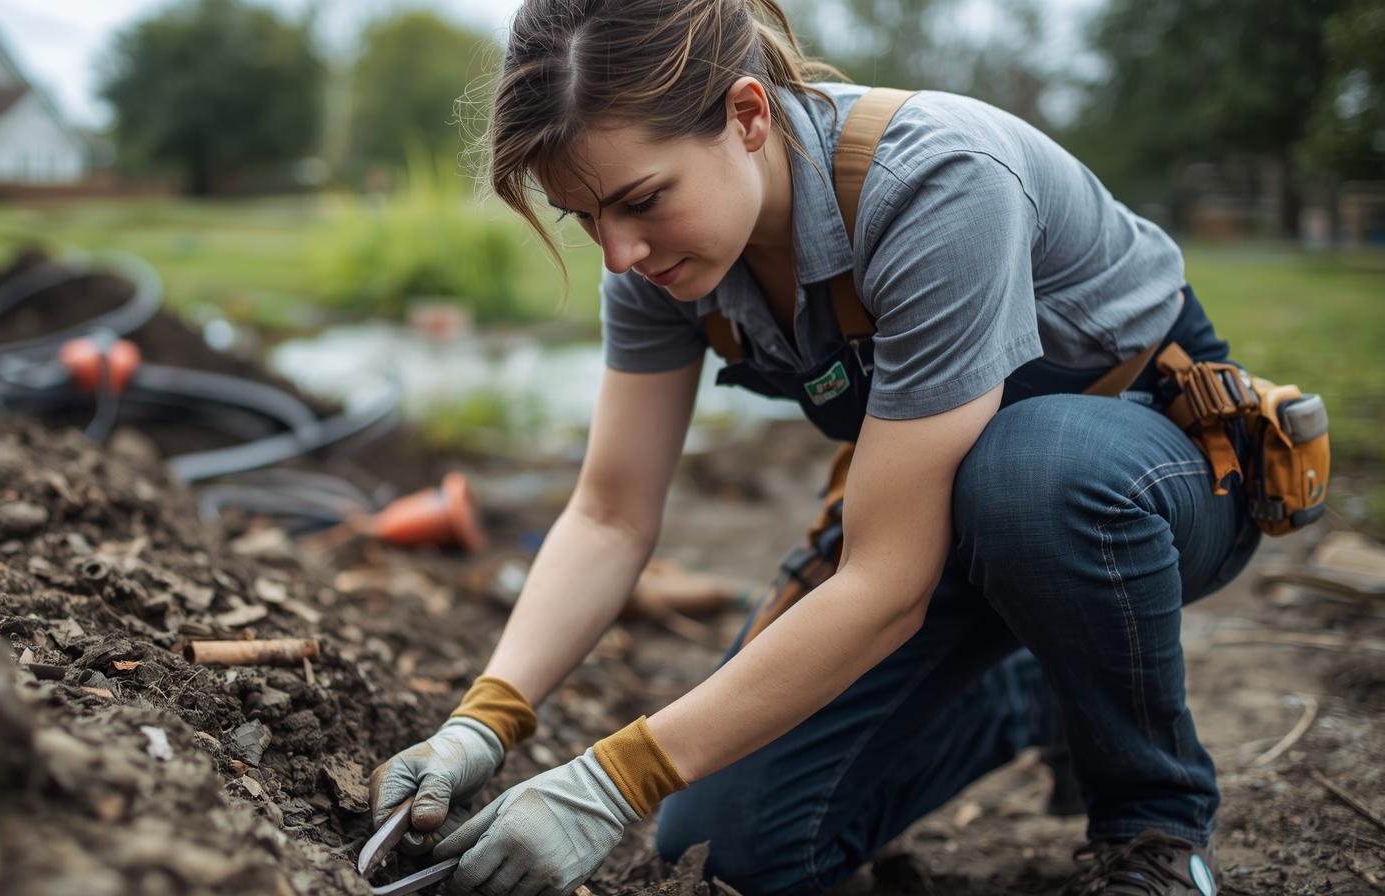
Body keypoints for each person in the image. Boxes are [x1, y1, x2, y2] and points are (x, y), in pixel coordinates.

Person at [367, 0, 1261, 893]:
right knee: (727, 851)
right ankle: (1031, 682)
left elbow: (885, 582)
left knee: (1031, 473)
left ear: (748, 116)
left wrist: (610, 782)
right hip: (941, 512)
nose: (618, 253)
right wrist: (483, 722)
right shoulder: (659, 264)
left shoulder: (938, 183)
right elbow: (608, 515)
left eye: (641, 201)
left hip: (1149, 484)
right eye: (583, 218)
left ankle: (1155, 823)